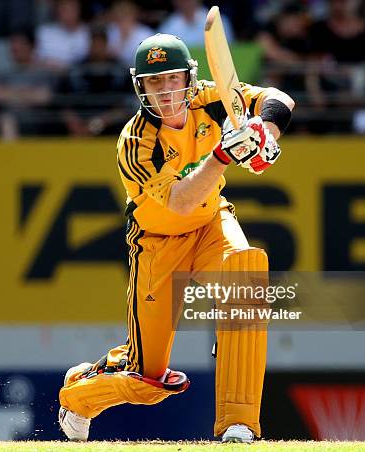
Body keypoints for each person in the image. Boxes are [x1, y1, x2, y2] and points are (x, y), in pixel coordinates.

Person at [57, 33, 294, 443]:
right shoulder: (135, 142)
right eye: (154, 82)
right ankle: (80, 394)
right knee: (148, 383)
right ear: (140, 87)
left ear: (188, 77)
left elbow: (280, 98)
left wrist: (266, 134)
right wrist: (224, 154)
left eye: (172, 79)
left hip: (210, 225)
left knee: (247, 276)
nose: (166, 92)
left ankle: (239, 423)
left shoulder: (210, 97)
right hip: (158, 243)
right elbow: (181, 202)